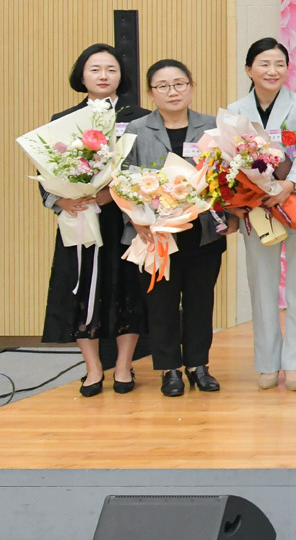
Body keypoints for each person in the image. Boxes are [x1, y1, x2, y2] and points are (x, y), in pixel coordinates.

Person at [40, 44, 149, 396]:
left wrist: (114, 193)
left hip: (125, 220)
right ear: (82, 75)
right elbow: (45, 169)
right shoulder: (64, 119)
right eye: (95, 69)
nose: (103, 76)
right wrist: (61, 198)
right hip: (80, 218)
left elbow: (149, 168)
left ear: (121, 76)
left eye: (111, 69)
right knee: (81, 288)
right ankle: (92, 369)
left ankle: (123, 366)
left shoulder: (140, 119)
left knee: (128, 288)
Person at [227, 37, 296, 392]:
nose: (272, 70)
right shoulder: (234, 110)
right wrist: (252, 192)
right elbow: (231, 159)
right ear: (249, 69)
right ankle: (267, 363)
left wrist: (289, 185)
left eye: (279, 64)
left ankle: (295, 363)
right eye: (264, 64)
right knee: (262, 286)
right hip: (256, 208)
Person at [125, 60, 223, 398]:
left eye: (179, 84)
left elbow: (225, 176)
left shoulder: (212, 126)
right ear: (151, 93)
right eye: (163, 86)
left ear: (191, 87)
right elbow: (121, 180)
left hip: (202, 231)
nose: (172, 92)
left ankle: (199, 365)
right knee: (161, 304)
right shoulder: (136, 129)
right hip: (155, 234)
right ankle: (169, 369)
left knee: (200, 301)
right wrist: (135, 218)